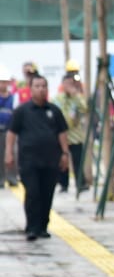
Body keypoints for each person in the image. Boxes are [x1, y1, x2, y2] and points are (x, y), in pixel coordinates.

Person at [4, 74, 69, 241]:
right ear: (30, 89)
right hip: (29, 160)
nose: (41, 89)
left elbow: (62, 133)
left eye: (44, 86)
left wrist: (65, 154)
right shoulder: (22, 111)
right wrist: (9, 152)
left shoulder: (54, 111)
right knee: (32, 192)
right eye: (37, 86)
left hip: (50, 160)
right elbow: (12, 133)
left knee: (47, 193)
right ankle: (32, 227)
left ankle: (42, 226)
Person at [53, 72, 89, 194]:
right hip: (61, 135)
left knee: (78, 160)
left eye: (71, 83)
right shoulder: (58, 98)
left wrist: (76, 95)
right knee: (62, 160)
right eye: (66, 83)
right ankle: (63, 184)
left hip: (75, 135)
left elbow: (85, 109)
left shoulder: (78, 97)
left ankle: (81, 183)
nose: (69, 86)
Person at [0, 69, 16, 187]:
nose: (3, 84)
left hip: (10, 129)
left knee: (12, 153)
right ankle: (1, 179)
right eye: (1, 82)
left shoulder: (13, 98)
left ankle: (12, 178)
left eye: (5, 82)